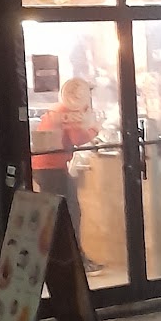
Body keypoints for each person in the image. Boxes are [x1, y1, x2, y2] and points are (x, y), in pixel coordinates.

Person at [31, 76, 100, 270]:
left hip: (44, 167)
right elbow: (77, 138)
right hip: (53, 167)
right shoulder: (69, 112)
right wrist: (94, 129)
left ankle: (59, 259)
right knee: (70, 213)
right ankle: (73, 260)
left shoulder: (59, 109)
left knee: (56, 214)